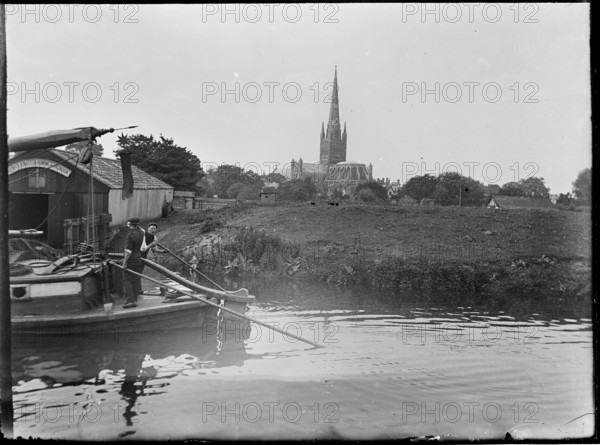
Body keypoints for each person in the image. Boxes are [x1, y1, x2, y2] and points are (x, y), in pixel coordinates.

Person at [122, 217, 144, 308]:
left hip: (131, 260)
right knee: (135, 280)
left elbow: (128, 252)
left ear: (130, 225)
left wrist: (124, 263)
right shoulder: (141, 233)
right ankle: (134, 300)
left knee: (127, 280)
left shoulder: (130, 235)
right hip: (138, 259)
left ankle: (131, 301)